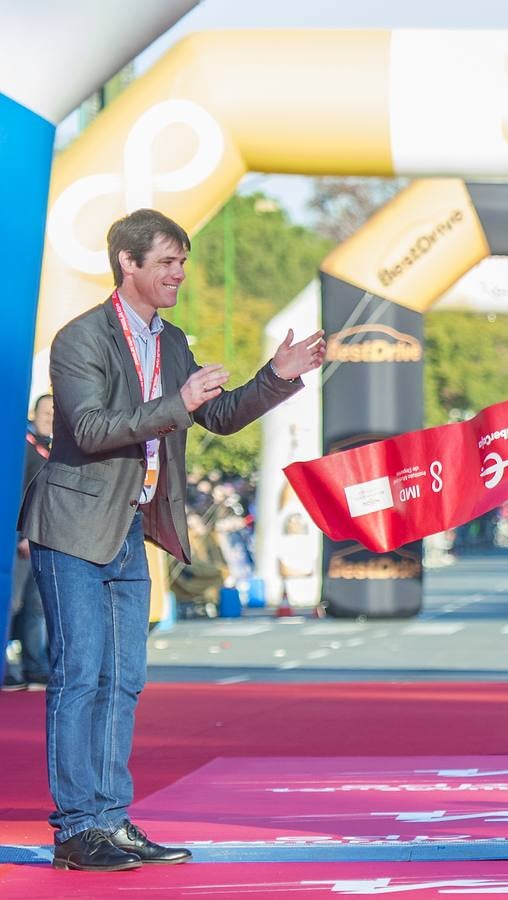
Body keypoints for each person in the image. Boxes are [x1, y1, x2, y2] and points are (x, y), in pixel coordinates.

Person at [18, 209, 325, 872]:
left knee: (124, 679)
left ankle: (110, 821)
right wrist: (177, 403)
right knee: (81, 676)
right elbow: (94, 430)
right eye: (166, 262)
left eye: (182, 263)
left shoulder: (172, 340)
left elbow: (214, 415)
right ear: (127, 263)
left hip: (130, 526)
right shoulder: (81, 339)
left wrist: (277, 374)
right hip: (73, 525)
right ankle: (78, 830)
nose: (178, 274)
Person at [5, 394, 53, 690]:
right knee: (13, 604)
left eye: (54, 412)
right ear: (34, 413)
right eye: (46, 411)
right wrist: (23, 536)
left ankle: (34, 666)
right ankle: (7, 668)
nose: (50, 417)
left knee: (36, 607)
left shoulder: (55, 448)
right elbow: (18, 494)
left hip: (44, 538)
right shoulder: (23, 446)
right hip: (21, 538)